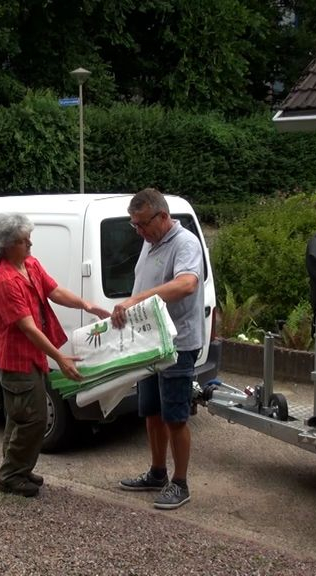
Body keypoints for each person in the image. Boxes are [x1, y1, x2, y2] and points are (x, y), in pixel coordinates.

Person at [0, 213, 111, 498]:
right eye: (23, 240)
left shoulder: (29, 265)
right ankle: (11, 476)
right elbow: (28, 328)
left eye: (29, 237)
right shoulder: (5, 282)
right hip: (18, 361)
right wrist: (60, 358)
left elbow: (54, 291)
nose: (30, 243)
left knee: (22, 417)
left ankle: (18, 468)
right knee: (33, 419)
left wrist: (88, 305)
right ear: (7, 245)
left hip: (33, 358)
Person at [112, 188, 205, 510]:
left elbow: (187, 284)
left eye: (142, 224)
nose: (138, 231)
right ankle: (157, 473)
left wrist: (136, 300)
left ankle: (180, 483)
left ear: (163, 217)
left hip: (177, 344)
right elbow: (145, 284)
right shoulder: (150, 242)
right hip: (150, 344)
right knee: (150, 412)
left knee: (175, 416)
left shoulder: (185, 243)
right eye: (133, 225)